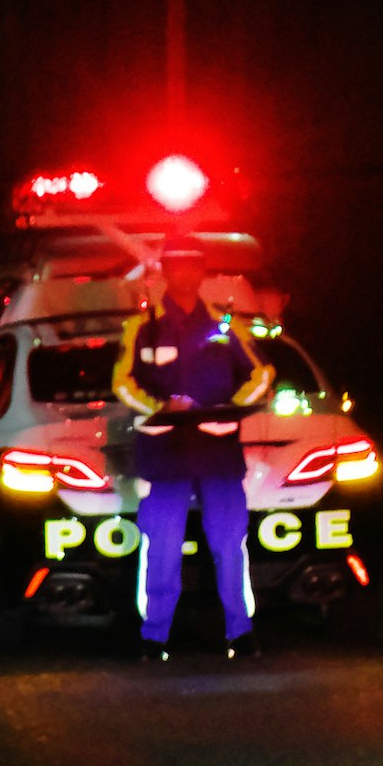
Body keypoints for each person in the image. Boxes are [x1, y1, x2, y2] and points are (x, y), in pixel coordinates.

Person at [113, 238, 275, 660]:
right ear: (166, 271)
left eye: (193, 267)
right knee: (161, 547)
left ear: (202, 272)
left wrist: (229, 407)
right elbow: (121, 384)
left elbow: (261, 374)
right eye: (176, 267)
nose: (184, 274)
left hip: (217, 453)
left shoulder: (224, 325)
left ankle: (240, 633)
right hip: (165, 457)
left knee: (229, 545)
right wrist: (159, 407)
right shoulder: (141, 326)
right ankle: (154, 638)